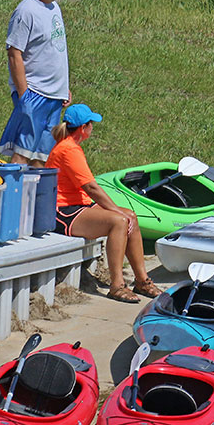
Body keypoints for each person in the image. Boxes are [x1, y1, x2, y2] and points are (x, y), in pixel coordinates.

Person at [46, 104, 163, 303]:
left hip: (78, 206)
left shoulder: (71, 146)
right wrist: (116, 210)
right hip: (63, 212)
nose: (93, 128)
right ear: (84, 128)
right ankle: (117, 285)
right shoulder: (69, 150)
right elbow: (91, 188)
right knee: (118, 221)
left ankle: (142, 280)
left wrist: (119, 211)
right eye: (91, 124)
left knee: (130, 216)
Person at [0, 0, 75, 167]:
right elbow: (14, 53)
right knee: (22, 153)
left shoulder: (53, 8)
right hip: (35, 94)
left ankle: (35, 199)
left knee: (42, 157)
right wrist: (24, 96)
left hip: (53, 97)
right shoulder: (26, 12)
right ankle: (11, 198)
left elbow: (54, 52)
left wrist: (62, 88)